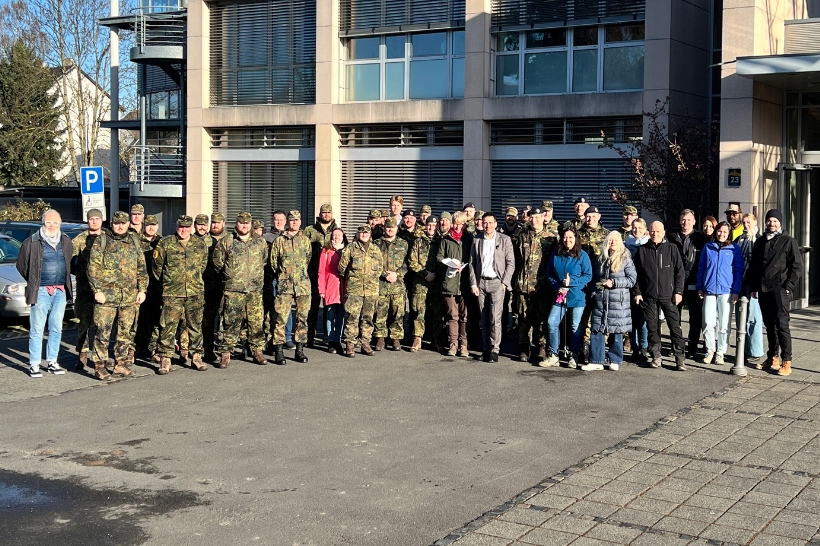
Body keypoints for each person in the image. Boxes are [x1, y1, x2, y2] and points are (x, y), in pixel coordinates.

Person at [87, 211, 148, 380]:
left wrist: (142, 289)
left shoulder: (134, 241)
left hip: (128, 296)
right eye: (117, 223)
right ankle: (100, 366)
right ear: (111, 224)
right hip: (106, 297)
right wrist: (97, 290)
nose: (120, 226)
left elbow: (141, 267)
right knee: (103, 332)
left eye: (123, 223)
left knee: (125, 332)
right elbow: (93, 268)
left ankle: (120, 364)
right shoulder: (102, 240)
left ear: (128, 224)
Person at [16, 209, 74, 378]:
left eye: (55, 222)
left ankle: (52, 361)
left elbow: (69, 262)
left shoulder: (66, 241)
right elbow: (21, 265)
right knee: (37, 328)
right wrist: (34, 280)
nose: (52, 226)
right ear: (43, 223)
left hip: (60, 291)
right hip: (41, 291)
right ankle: (34, 364)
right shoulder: (31, 242)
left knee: (56, 328)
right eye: (49, 222)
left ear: (60, 224)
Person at [152, 215, 209, 374]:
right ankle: (165, 358)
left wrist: (192, 280)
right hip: (172, 293)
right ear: (176, 227)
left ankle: (196, 357)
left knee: (195, 326)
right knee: (168, 326)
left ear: (192, 227)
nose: (183, 230)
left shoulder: (200, 244)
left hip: (194, 292)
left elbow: (202, 266)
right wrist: (169, 282)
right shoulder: (166, 243)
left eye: (187, 227)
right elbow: (157, 267)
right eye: (180, 227)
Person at [750, 209, 802, 377]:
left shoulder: (788, 241)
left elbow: (797, 266)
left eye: (775, 221)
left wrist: (788, 286)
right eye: (769, 221)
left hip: (780, 289)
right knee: (769, 325)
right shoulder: (760, 242)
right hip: (763, 289)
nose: (771, 224)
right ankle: (773, 358)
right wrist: (753, 286)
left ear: (780, 223)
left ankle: (787, 361)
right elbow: (754, 266)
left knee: (782, 325)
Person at [212, 212, 268, 368]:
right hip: (233, 290)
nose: (244, 226)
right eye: (241, 223)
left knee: (256, 323)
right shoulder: (227, 241)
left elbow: (264, 260)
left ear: (251, 224)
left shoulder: (260, 242)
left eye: (247, 223)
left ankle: (257, 351)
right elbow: (218, 263)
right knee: (230, 323)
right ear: (236, 224)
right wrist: (231, 276)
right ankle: (225, 353)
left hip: (254, 291)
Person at [632, 221, 687, 370]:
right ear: (648, 232)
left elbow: (680, 272)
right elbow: (636, 274)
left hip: (669, 295)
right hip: (649, 296)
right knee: (652, 328)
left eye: (658, 231)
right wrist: (637, 292)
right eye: (652, 231)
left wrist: (678, 291)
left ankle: (680, 358)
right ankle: (656, 356)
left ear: (664, 232)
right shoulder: (642, 250)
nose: (655, 234)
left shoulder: (672, 248)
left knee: (675, 327)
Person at [469, 212, 515, 363]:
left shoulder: (504, 240)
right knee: (484, 318)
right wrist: (473, 283)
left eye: (490, 222)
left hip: (497, 282)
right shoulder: (477, 240)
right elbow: (472, 263)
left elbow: (511, 263)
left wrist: (504, 283)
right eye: (485, 223)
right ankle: (486, 348)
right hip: (481, 282)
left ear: (495, 224)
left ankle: (495, 350)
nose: (487, 225)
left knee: (495, 318)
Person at [513, 205, 557, 362]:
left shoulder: (552, 237)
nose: (534, 220)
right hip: (523, 284)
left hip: (542, 285)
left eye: (537, 217)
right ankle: (524, 347)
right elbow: (516, 259)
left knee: (542, 318)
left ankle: (542, 347)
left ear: (543, 218)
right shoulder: (522, 236)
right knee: (523, 318)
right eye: (531, 217)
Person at [697, 221, 744, 365]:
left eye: (724, 232)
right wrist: (700, 286)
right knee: (707, 322)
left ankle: (720, 352)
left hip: (726, 291)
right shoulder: (708, 247)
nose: (721, 234)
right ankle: (710, 350)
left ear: (728, 233)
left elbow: (739, 270)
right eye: (719, 231)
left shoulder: (734, 249)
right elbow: (701, 267)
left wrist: (736, 290)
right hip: (710, 289)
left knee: (724, 324)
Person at [588, 232, 637, 371]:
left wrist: (614, 282)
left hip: (618, 302)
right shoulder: (601, 259)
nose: (613, 242)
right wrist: (594, 292)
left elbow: (632, 279)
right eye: (610, 240)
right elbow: (595, 278)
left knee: (616, 331)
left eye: (615, 240)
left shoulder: (625, 258)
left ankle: (615, 360)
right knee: (597, 329)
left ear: (620, 242)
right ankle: (596, 360)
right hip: (601, 300)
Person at [543, 228, 592, 367]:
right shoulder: (556, 254)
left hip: (577, 295)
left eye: (570, 237)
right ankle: (553, 354)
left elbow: (588, 275)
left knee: (575, 325)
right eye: (565, 237)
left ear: (576, 238)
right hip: (560, 294)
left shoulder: (582, 255)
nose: (567, 240)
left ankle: (574, 354)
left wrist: (572, 282)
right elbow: (549, 273)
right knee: (552, 322)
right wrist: (556, 286)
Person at [270, 210, 312, 364]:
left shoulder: (305, 240)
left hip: (302, 285)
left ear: (300, 222)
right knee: (281, 318)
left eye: (297, 220)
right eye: (292, 220)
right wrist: (284, 275)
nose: (294, 222)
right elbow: (274, 263)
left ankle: (299, 350)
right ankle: (279, 350)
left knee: (302, 318)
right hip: (285, 285)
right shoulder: (280, 241)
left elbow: (308, 258)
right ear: (287, 222)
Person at [668, 209, 708, 359]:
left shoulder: (700, 240)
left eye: (689, 220)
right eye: (683, 220)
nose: (686, 223)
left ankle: (692, 348)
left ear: (694, 222)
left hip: (694, 282)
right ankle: (676, 346)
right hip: (675, 283)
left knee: (695, 318)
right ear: (680, 221)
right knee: (674, 317)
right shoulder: (672, 237)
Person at [338, 225, 383, 357]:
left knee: (368, 318)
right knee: (352, 317)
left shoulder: (375, 249)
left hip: (371, 290)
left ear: (370, 234)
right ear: (357, 234)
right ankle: (350, 344)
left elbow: (379, 268)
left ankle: (365, 343)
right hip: (354, 290)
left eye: (366, 232)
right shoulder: (350, 248)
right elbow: (341, 268)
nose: (364, 234)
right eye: (361, 232)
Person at [71, 209, 105, 371]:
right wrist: (80, 274)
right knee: (83, 322)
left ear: (102, 220)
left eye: (97, 218)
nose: (94, 221)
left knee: (102, 324)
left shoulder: (107, 238)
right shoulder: (79, 239)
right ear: (88, 220)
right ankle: (82, 354)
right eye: (92, 219)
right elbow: (71, 260)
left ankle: (100, 356)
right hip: (84, 288)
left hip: (103, 288)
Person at [437, 211, 471, 356]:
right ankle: (453, 344)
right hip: (450, 282)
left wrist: (465, 266)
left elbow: (474, 258)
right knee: (452, 316)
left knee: (465, 317)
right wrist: (449, 264)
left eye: (460, 224)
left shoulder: (469, 239)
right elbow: (439, 257)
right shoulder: (446, 239)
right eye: (456, 224)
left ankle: (464, 345)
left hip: (465, 282)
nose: (457, 227)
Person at [304, 204, 338, 348]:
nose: (326, 215)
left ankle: (327, 335)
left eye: (329, 212)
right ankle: (310, 335)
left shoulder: (336, 231)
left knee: (329, 308)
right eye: (324, 212)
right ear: (320, 214)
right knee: (312, 307)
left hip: (330, 276)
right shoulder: (309, 231)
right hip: (312, 274)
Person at [373, 217, 409, 350]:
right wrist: (384, 274)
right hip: (381, 284)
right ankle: (380, 337)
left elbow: (407, 263)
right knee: (380, 313)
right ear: (384, 228)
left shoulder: (403, 244)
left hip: (397, 285)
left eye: (392, 227)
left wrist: (397, 274)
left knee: (397, 313)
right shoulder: (376, 243)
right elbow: (374, 264)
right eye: (388, 227)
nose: (390, 229)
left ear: (396, 229)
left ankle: (395, 338)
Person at [735, 213, 765, 365]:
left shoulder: (760, 239)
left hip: (754, 284)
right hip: (740, 282)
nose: (746, 225)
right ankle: (743, 349)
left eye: (748, 222)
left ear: (755, 222)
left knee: (753, 317)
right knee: (741, 317)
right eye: (744, 222)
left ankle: (755, 351)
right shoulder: (739, 239)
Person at [407, 215, 438, 352]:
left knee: (437, 312)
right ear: (425, 226)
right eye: (429, 225)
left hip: (436, 282)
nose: (431, 228)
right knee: (419, 312)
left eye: (434, 225)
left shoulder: (441, 241)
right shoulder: (418, 241)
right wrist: (425, 274)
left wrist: (435, 274)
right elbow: (412, 261)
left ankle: (436, 339)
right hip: (420, 282)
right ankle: (417, 338)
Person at [136, 214, 163, 360]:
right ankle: (138, 347)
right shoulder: (136, 241)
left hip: (156, 286)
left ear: (157, 226)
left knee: (156, 319)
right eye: (148, 225)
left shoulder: (162, 242)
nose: (151, 228)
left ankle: (154, 349)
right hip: (139, 287)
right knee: (139, 319)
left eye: (154, 225)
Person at [201, 212, 228, 360]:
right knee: (208, 320)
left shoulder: (230, 239)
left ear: (223, 223)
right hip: (208, 286)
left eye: (218, 222)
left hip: (226, 285)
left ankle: (224, 350)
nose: (215, 225)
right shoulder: (202, 240)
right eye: (213, 222)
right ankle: (208, 349)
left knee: (226, 319)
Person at [318, 227, 347, 354]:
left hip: (343, 288)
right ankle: (330, 341)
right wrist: (322, 289)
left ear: (343, 237)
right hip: (330, 287)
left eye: (339, 235)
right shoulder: (326, 251)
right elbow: (321, 271)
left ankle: (337, 340)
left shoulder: (347, 250)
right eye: (334, 235)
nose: (336, 237)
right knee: (330, 316)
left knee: (340, 316)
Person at [625, 218, 650, 360]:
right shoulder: (626, 245)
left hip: (644, 287)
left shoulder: (648, 244)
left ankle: (643, 348)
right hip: (629, 287)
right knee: (631, 320)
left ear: (645, 229)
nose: (637, 230)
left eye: (640, 228)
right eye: (634, 228)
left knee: (643, 320)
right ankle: (634, 348)